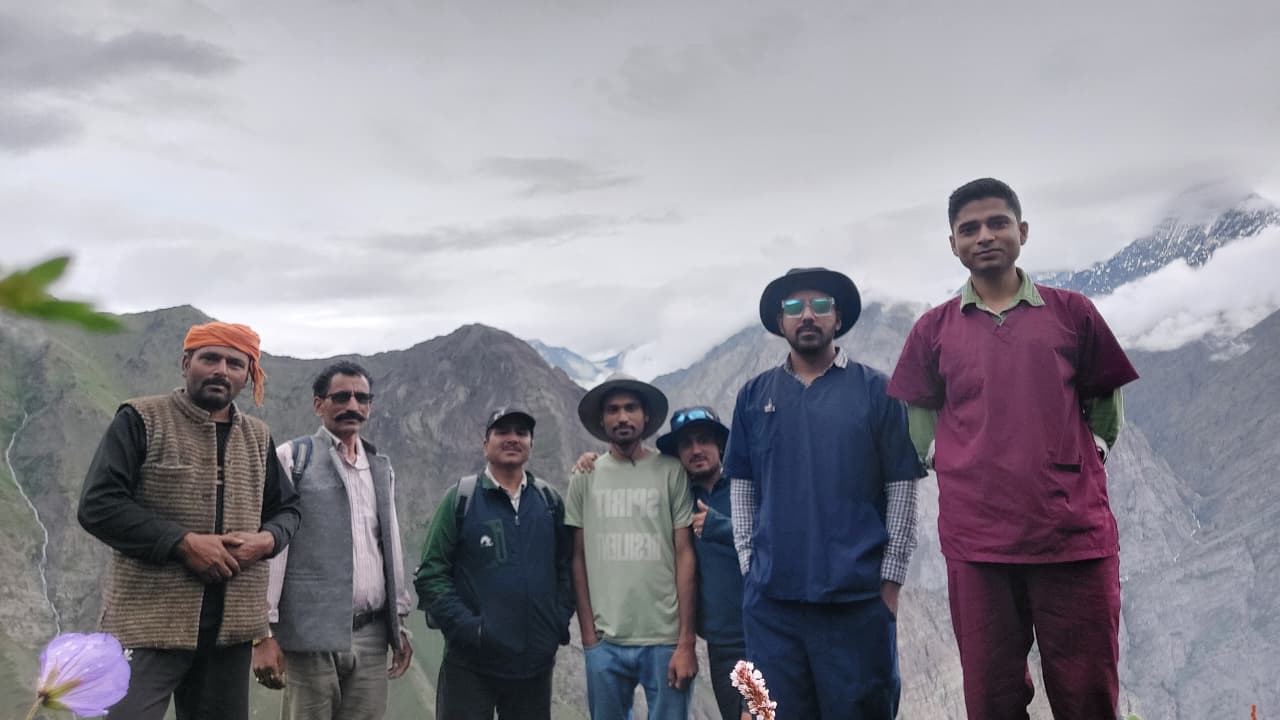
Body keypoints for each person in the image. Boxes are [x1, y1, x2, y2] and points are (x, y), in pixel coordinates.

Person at [887, 178, 1140, 720]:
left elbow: (1104, 398)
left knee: (1087, 691)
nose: (985, 236)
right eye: (968, 229)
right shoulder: (934, 330)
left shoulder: (1071, 313)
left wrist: (1086, 455)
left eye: (997, 223)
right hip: (978, 543)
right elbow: (921, 413)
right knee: (992, 697)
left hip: (1071, 537)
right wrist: (948, 462)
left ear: (1022, 231)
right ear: (953, 244)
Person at [725, 268, 924, 719]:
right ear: (781, 321)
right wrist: (750, 568)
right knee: (767, 714)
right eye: (795, 307)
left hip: (855, 604)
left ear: (839, 318)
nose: (807, 316)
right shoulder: (754, 396)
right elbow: (742, 487)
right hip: (772, 607)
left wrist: (889, 585)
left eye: (820, 306)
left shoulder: (879, 393)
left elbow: (902, 491)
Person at [78, 321, 301, 720]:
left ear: (248, 375)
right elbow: (98, 504)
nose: (222, 370)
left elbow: (288, 510)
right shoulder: (141, 419)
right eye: (210, 358)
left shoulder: (257, 437)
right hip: (147, 624)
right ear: (186, 363)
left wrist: (266, 541)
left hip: (228, 634)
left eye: (235, 363)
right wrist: (182, 543)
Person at [252, 361, 414, 719]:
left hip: (371, 634)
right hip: (311, 635)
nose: (352, 406)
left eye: (361, 398)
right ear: (318, 404)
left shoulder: (380, 468)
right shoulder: (293, 459)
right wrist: (263, 632)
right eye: (341, 397)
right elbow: (275, 550)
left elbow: (390, 547)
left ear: (370, 406)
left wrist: (397, 623)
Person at [575, 406, 750, 720]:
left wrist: (721, 528)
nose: (696, 450)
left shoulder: (749, 487)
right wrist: (591, 461)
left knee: (759, 713)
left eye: (704, 440)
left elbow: (778, 539)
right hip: (723, 644)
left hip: (764, 635)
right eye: (687, 444)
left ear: (720, 444)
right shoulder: (682, 492)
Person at [415, 406, 574, 720]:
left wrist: (555, 624)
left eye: (521, 432)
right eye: (502, 432)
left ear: (530, 443)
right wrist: (470, 630)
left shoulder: (549, 502)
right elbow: (431, 574)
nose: (512, 438)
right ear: (485, 444)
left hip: (534, 667)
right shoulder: (461, 499)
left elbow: (567, 568)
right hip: (470, 666)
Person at [567, 376, 698, 720]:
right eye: (613, 410)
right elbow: (577, 558)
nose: (622, 417)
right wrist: (588, 637)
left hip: (665, 638)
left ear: (645, 416)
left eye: (630, 408)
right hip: (606, 642)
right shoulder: (585, 477)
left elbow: (685, 553)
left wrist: (686, 641)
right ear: (602, 420)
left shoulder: (671, 471)